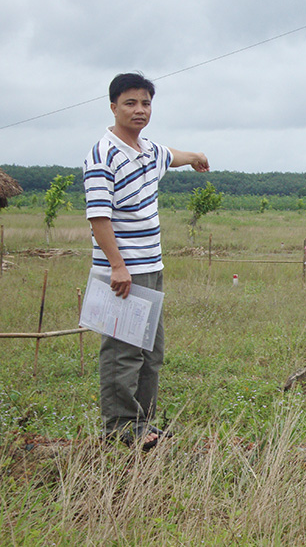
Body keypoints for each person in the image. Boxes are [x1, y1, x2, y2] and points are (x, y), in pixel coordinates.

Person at [83, 72, 209, 450]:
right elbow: (98, 217)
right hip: (123, 272)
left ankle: (144, 423)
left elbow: (173, 156)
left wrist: (197, 157)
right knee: (123, 352)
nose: (139, 110)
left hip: (151, 268)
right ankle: (121, 427)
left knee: (152, 352)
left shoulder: (148, 150)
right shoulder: (102, 154)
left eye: (146, 103)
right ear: (113, 107)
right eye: (130, 103)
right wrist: (118, 266)